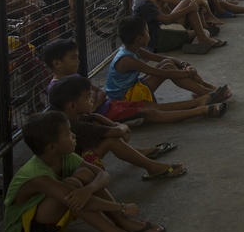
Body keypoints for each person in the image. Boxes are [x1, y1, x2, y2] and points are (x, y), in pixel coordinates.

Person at [3, 111, 162, 232]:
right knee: (72, 185)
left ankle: (122, 222)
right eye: (67, 134)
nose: (73, 135)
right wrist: (121, 207)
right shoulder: (36, 175)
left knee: (85, 175)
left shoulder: (65, 156)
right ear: (52, 146)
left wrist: (89, 189)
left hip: (54, 220)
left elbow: (102, 174)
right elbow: (74, 199)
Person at [42, 38, 223, 125]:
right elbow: (71, 116)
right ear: (57, 64)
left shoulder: (75, 78)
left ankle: (199, 100)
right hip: (105, 116)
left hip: (110, 105)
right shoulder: (56, 89)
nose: (78, 61)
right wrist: (93, 107)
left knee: (150, 107)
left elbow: (101, 92)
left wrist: (93, 103)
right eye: (73, 58)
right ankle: (199, 108)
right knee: (150, 113)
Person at [48, 76, 188, 180]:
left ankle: (139, 154)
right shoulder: (75, 125)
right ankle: (153, 167)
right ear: (72, 105)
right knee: (112, 140)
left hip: (75, 161)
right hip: (72, 173)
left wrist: (113, 125)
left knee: (108, 133)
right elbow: (117, 132)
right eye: (88, 97)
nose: (92, 99)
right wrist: (121, 126)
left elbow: (95, 117)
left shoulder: (71, 116)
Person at [106, 16, 231, 115]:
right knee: (167, 68)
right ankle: (206, 93)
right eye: (147, 32)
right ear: (139, 38)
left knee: (167, 64)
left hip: (132, 87)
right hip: (126, 97)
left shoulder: (132, 48)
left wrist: (183, 64)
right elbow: (162, 74)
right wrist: (188, 72)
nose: (148, 34)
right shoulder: (127, 60)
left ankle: (205, 91)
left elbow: (161, 58)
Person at [131, 0, 223, 53]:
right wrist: (189, 9)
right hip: (159, 40)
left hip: (160, 34)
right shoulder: (145, 4)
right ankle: (201, 39)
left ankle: (198, 41)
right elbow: (166, 20)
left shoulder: (138, 0)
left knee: (187, 2)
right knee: (202, 30)